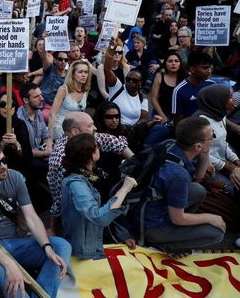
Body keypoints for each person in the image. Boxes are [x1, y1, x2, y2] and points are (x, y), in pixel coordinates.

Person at [0, 141, 70, 298]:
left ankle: (41, 294)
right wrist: (9, 264)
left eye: (4, 160)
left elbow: (31, 216)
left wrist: (47, 247)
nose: (3, 166)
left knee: (61, 246)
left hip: (14, 242)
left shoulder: (15, 177)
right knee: (5, 271)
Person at [141, 117, 226, 253]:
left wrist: (205, 150)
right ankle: (159, 247)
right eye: (212, 137)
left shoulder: (170, 144)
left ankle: (176, 233)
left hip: (146, 207)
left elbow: (198, 177)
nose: (213, 139)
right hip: (151, 226)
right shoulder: (178, 175)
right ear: (197, 146)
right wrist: (209, 217)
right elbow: (177, 218)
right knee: (216, 232)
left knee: (198, 190)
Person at [48, 112, 133, 233]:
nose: (95, 128)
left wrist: (135, 160)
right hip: (79, 221)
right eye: (90, 125)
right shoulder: (62, 164)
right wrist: (53, 228)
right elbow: (59, 199)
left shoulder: (83, 138)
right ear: (75, 131)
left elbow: (112, 141)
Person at [61, 133, 138, 259]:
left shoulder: (94, 175)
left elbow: (105, 208)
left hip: (96, 242)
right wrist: (125, 189)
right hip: (85, 252)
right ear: (90, 154)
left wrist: (121, 235)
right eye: (97, 145)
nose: (100, 148)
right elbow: (98, 217)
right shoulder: (76, 184)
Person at [194, 85, 240, 197]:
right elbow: (200, 153)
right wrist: (228, 166)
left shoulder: (220, 116)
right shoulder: (202, 122)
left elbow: (223, 143)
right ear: (217, 101)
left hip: (223, 162)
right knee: (233, 189)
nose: (233, 99)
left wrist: (236, 160)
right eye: (229, 97)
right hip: (207, 167)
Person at [103, 42, 148, 126]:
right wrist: (111, 49)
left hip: (132, 132)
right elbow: (107, 69)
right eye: (128, 79)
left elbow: (144, 118)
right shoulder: (117, 87)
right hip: (114, 128)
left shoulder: (142, 97)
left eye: (134, 80)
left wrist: (134, 129)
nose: (130, 82)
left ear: (140, 83)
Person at [48, 60, 91, 140]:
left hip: (76, 129)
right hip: (60, 127)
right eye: (80, 72)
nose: (84, 75)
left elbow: (82, 113)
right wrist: (49, 139)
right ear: (73, 74)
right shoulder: (63, 89)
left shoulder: (85, 90)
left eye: (86, 72)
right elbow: (52, 114)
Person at [172, 51, 215, 122]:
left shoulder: (212, 85)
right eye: (205, 68)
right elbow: (178, 122)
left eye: (210, 68)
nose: (209, 71)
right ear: (192, 69)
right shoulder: (179, 90)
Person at [150, 51, 186, 122]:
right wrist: (163, 117)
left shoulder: (186, 78)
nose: (173, 63)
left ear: (180, 63)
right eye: (170, 61)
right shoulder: (159, 76)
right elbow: (154, 99)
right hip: (161, 113)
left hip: (181, 115)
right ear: (165, 64)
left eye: (176, 61)